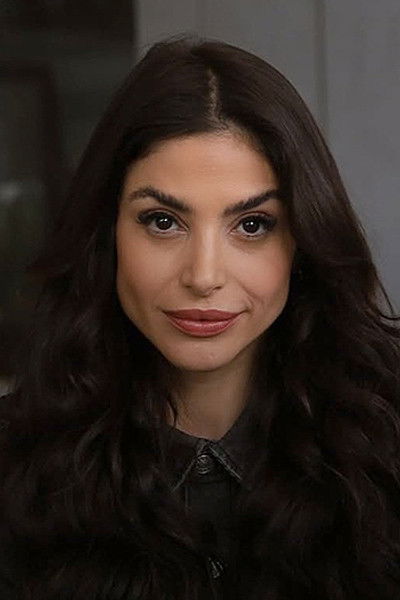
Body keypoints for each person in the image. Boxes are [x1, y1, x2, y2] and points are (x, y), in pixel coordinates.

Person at [0, 34, 399, 600]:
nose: (204, 275)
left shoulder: (387, 450)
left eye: (252, 225)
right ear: (106, 234)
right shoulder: (14, 466)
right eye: (163, 221)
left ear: (303, 242)